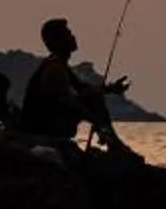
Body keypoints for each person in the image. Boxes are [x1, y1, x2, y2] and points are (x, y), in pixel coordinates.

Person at [20, 16, 135, 155]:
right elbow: (66, 102)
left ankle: (113, 143)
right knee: (94, 98)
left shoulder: (60, 65)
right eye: (67, 34)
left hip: (49, 122)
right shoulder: (54, 69)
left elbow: (83, 88)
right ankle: (114, 145)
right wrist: (96, 121)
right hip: (44, 128)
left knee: (93, 96)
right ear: (57, 42)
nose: (73, 37)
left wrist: (111, 89)